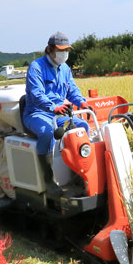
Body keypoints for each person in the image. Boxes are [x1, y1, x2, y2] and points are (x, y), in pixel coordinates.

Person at [23, 32, 88, 198]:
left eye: (67, 50)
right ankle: (49, 180)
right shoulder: (36, 67)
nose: (64, 53)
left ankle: (81, 174)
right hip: (37, 113)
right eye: (61, 50)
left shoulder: (65, 68)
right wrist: (53, 107)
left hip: (59, 114)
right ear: (50, 49)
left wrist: (81, 102)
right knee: (47, 132)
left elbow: (72, 90)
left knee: (82, 126)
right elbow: (37, 95)